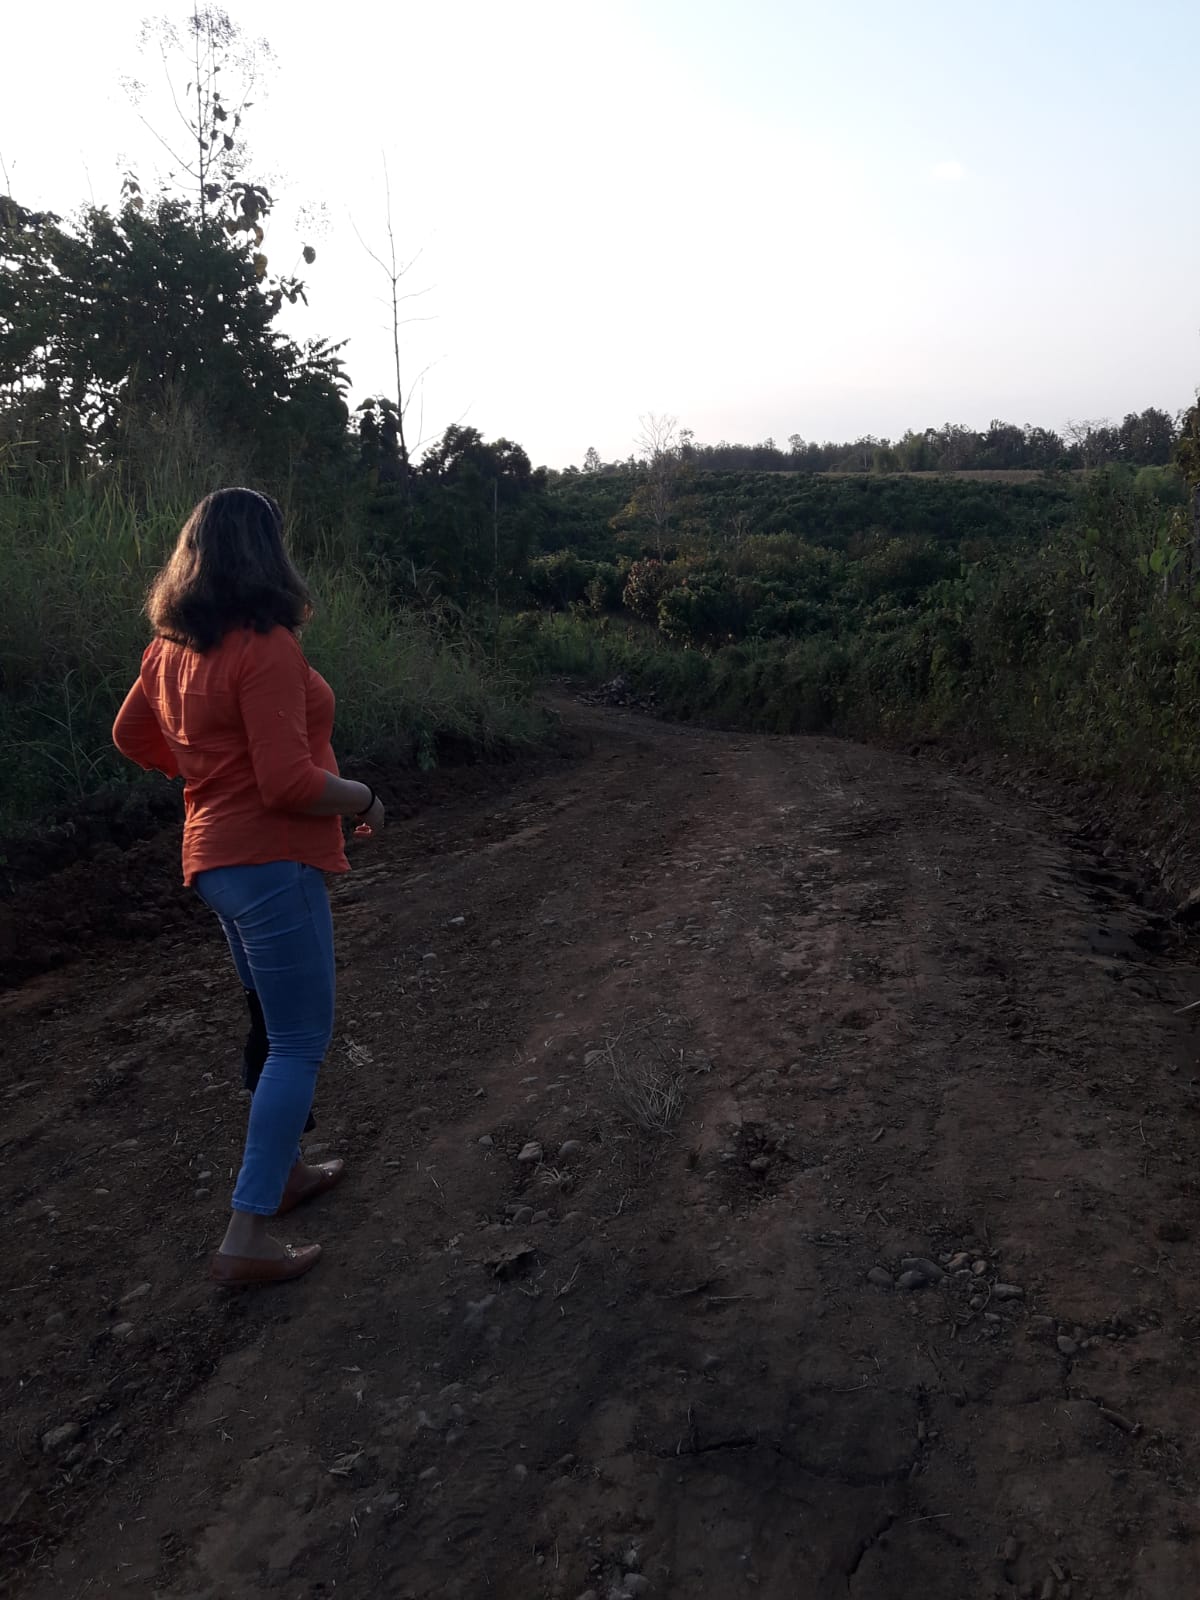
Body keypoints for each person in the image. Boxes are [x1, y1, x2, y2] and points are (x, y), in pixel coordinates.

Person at [112, 487, 384, 1287]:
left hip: (216, 864)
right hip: (271, 861)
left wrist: (203, 772)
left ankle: (286, 1174)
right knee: (298, 1041)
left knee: (274, 1024)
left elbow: (131, 735)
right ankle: (246, 1232)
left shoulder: (170, 648)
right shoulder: (265, 645)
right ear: (268, 552)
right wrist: (364, 799)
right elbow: (288, 783)